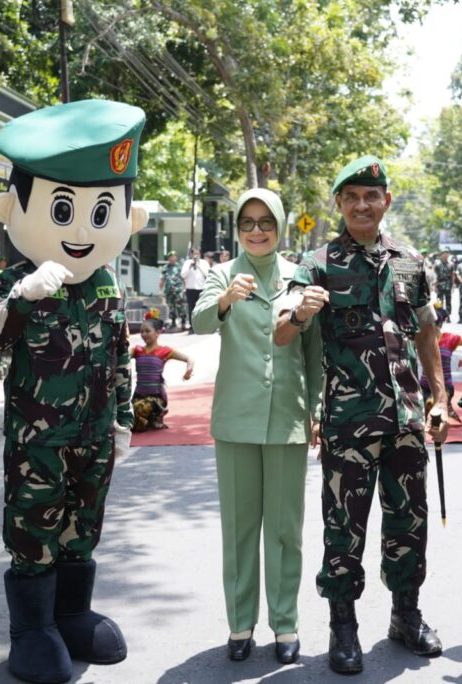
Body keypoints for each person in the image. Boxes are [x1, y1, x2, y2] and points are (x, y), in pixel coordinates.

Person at [0, 99, 148, 683]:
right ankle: (30, 629)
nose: (81, 230)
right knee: (35, 530)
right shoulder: (8, 282)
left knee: (83, 526)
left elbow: (121, 357)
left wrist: (124, 419)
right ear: (13, 208)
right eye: (62, 209)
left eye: (102, 211)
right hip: (38, 444)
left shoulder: (107, 287)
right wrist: (23, 297)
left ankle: (72, 614)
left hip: (95, 438)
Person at [275, 155, 449, 675]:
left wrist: (439, 398)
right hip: (348, 423)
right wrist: (301, 310)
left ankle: (406, 616)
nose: (362, 205)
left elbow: (427, 335)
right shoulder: (317, 262)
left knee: (409, 523)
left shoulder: (411, 262)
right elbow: (282, 331)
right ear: (338, 206)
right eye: (351, 197)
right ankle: (342, 626)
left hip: (406, 419)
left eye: (371, 196)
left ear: (386, 201)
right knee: (343, 527)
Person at [191, 188, 323, 665]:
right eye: (247, 222)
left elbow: (314, 353)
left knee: (286, 530)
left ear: (280, 225)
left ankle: (285, 624)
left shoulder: (299, 275)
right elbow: (201, 321)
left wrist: (317, 409)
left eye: (266, 221)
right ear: (237, 228)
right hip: (236, 419)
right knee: (240, 529)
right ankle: (240, 624)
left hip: (288, 417)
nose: (257, 230)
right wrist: (225, 299)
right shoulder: (221, 274)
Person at [131, 310, 194, 431]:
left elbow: (189, 359)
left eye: (147, 331)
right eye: (142, 331)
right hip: (139, 395)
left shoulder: (164, 351)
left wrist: (188, 371)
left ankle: (156, 414)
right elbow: (122, 356)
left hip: (156, 397)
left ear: (158, 332)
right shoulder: (137, 350)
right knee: (128, 416)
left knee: (138, 410)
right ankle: (151, 419)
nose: (144, 334)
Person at [420, 303, 462, 423]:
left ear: (439, 324)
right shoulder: (421, 338)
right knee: (425, 411)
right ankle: (447, 408)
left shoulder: (450, 339)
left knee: (432, 407)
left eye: (433, 324)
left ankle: (445, 405)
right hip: (425, 386)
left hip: (445, 385)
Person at [182, 247, 210, 334]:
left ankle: (201, 325)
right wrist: (190, 267)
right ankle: (192, 326)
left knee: (201, 308)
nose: (195, 255)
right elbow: (183, 275)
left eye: (197, 253)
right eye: (194, 254)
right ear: (191, 254)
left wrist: (198, 265)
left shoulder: (204, 263)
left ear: (200, 254)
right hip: (190, 289)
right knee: (191, 308)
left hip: (201, 288)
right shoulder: (187, 263)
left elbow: (208, 274)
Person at [161, 251, 187, 330]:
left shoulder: (179, 267)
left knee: (181, 306)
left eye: (174, 256)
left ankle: (183, 322)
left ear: (176, 258)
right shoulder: (165, 268)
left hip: (178, 290)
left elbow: (184, 278)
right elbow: (162, 279)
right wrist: (160, 290)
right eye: (170, 257)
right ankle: (173, 322)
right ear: (168, 258)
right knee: (171, 307)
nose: (172, 258)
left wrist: (185, 288)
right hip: (169, 290)